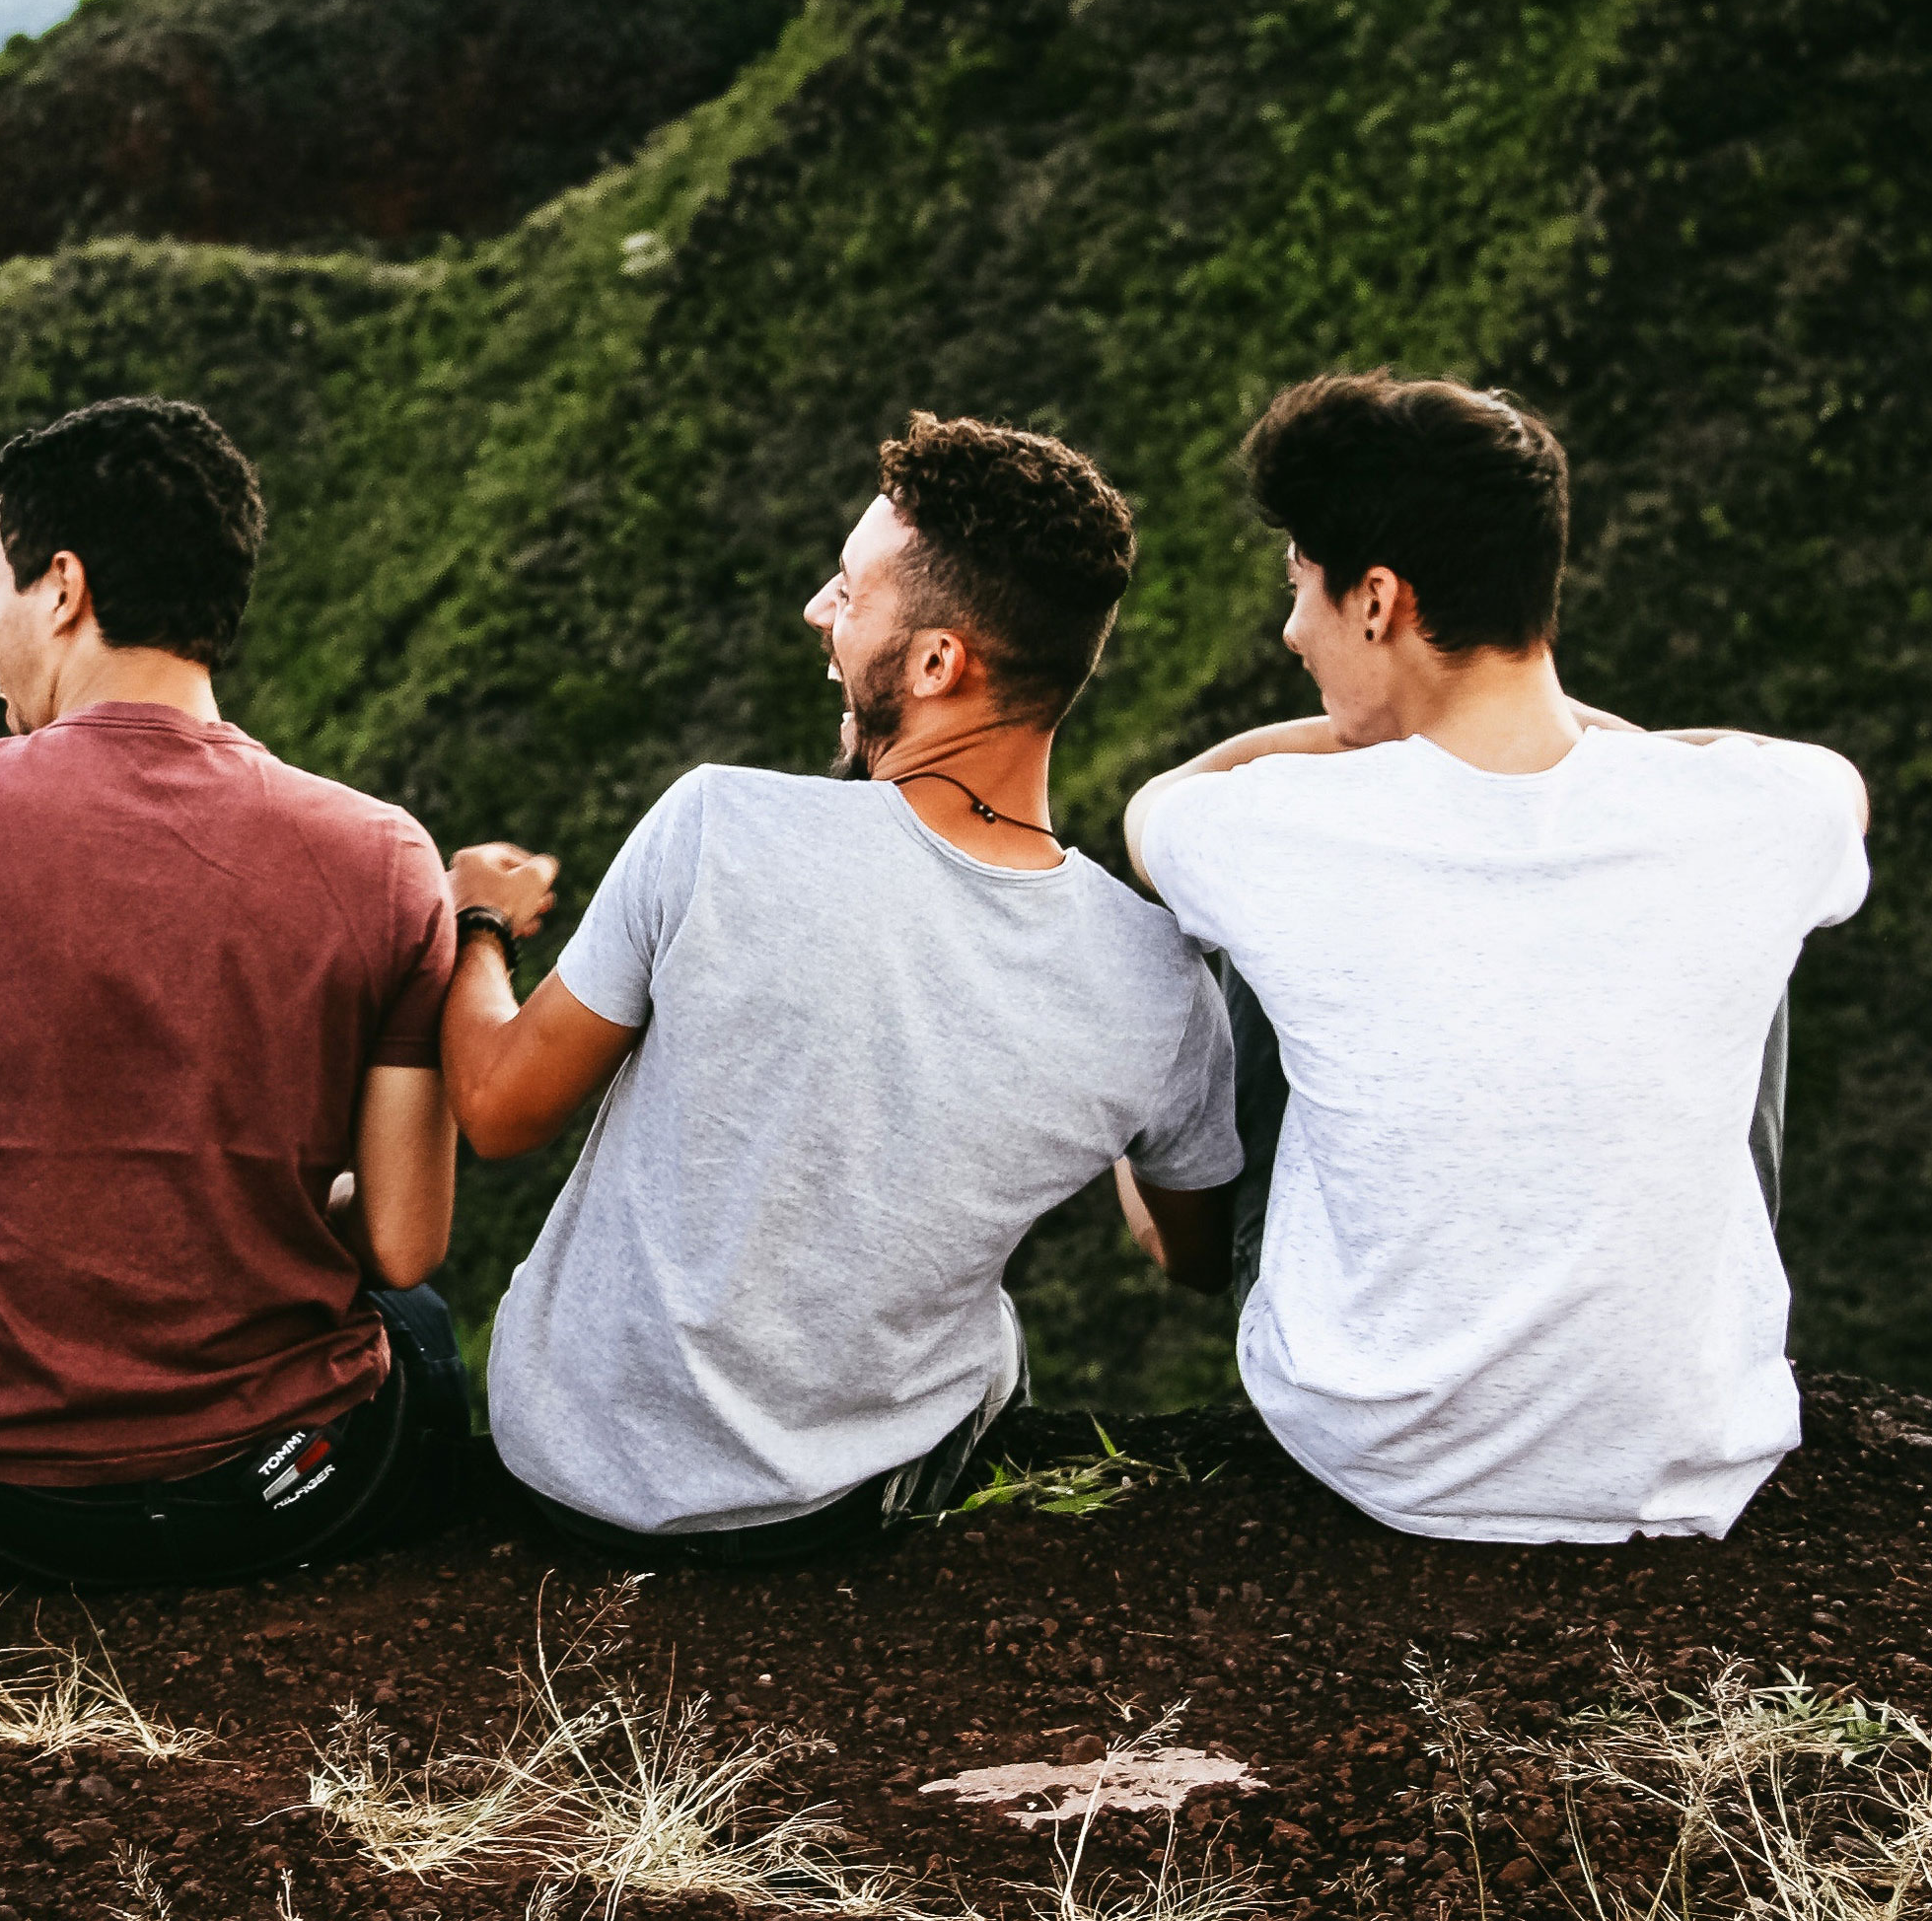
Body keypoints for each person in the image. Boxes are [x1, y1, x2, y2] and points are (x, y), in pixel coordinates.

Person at [441, 412, 1244, 1565]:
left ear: (934, 663)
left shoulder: (716, 822)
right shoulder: (1159, 982)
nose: (819, 610)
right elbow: (1190, 1255)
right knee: (992, 1335)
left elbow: (498, 1109)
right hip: (829, 1511)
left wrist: (477, 923)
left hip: (564, 1467)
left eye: (848, 591)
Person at [1124, 370, 1870, 1545]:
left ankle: (1200, 1256)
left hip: (1374, 1445)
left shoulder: (1270, 826)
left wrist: (1349, 738)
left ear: (1376, 599)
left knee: (1241, 940)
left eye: (1300, 591)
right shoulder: (1761, 814)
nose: (1288, 632)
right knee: (1741, 926)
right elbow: (1824, 780)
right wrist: (1597, 745)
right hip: (1682, 1452)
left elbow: (1158, 809)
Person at [0, 395, 519, 1587]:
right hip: (282, 1490)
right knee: (422, 1332)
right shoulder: (383, 858)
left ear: (62, 586)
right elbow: (401, 1240)